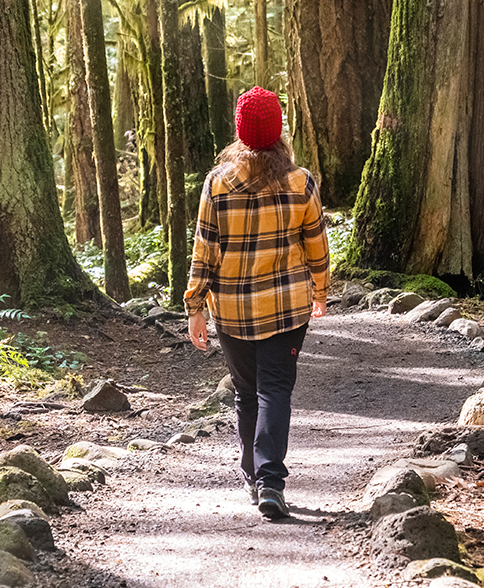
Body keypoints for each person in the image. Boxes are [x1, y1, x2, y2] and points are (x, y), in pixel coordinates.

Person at [184, 86, 330, 520]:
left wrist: (194, 306)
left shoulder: (218, 183)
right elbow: (317, 247)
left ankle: (252, 475)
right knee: (275, 389)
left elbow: (203, 249)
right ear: (278, 130)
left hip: (230, 310)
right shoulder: (300, 182)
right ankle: (270, 481)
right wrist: (320, 291)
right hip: (286, 308)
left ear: (240, 131)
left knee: (248, 392)